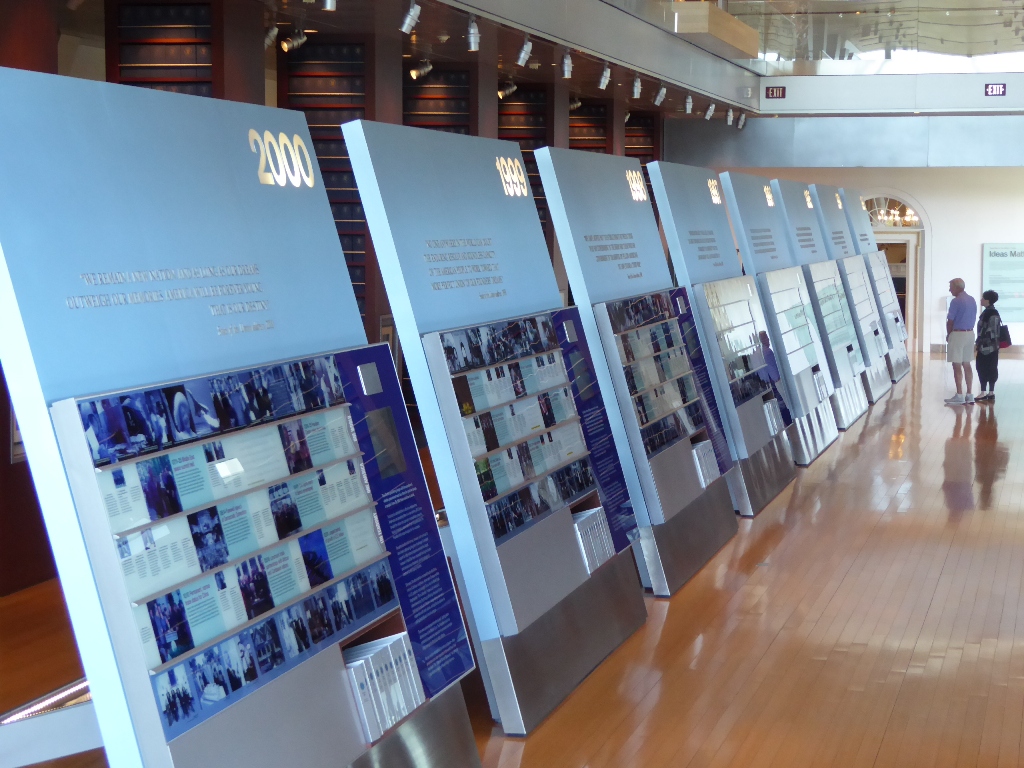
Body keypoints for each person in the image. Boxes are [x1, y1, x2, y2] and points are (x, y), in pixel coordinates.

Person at [945, 278, 977, 405]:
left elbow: (950, 321)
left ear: (957, 287)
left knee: (956, 364)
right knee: (967, 364)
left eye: (951, 287)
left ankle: (959, 394)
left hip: (958, 334)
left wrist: (949, 334)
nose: (950, 290)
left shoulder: (956, 301)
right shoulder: (972, 299)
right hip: (970, 334)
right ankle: (969, 394)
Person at [975, 290, 1001, 401]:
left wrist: (980, 341)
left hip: (986, 347)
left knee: (982, 367)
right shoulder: (993, 312)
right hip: (993, 347)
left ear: (988, 300)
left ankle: (983, 392)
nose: (981, 300)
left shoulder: (989, 313)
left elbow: (990, 331)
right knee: (992, 367)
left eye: (983, 298)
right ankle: (991, 392)